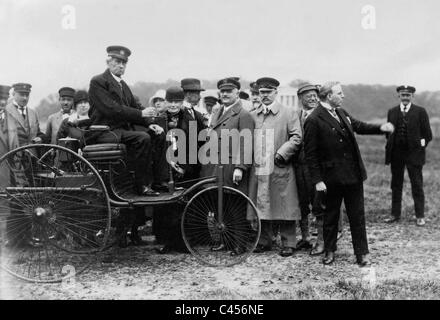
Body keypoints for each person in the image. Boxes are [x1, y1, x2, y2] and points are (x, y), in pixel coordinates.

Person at [304, 81, 394, 266]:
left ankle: (362, 253)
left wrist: (380, 128)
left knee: (357, 215)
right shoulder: (313, 119)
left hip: (353, 175)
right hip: (331, 178)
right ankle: (329, 251)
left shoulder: (341, 112)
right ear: (329, 96)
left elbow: (360, 126)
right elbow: (310, 155)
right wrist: (318, 180)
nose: (343, 96)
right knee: (331, 216)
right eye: (340, 93)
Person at [88, 45, 167, 196]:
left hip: (121, 131)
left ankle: (158, 181)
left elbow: (135, 107)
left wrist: (151, 123)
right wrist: (141, 114)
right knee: (142, 138)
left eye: (124, 63)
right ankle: (141, 185)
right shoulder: (98, 81)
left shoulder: (123, 85)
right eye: (117, 61)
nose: (121, 65)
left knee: (158, 134)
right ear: (108, 62)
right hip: (103, 131)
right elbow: (111, 109)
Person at [248, 77, 302, 257]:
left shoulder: (288, 113)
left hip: (280, 166)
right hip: (259, 168)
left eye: (268, 92)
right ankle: (264, 240)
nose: (264, 95)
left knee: (285, 203)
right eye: (261, 92)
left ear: (275, 93)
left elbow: (296, 137)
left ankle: (289, 243)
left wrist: (282, 153)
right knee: (262, 202)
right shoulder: (253, 115)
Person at [200, 77, 255, 254]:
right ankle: (225, 241)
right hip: (215, 165)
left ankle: (239, 243)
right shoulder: (217, 112)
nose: (225, 94)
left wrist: (241, 167)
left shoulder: (243, 114)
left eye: (229, 91)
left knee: (234, 204)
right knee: (219, 204)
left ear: (237, 93)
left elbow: (247, 143)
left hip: (231, 166)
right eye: (222, 91)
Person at [384, 85, 432, 226]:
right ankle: (395, 214)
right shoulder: (392, 112)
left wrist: (419, 144)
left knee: (417, 184)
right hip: (396, 154)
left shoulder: (420, 112)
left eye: (408, 95)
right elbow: (389, 134)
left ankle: (420, 216)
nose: (405, 97)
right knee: (396, 185)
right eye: (403, 95)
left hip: (414, 155)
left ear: (412, 96)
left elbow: (427, 134)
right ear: (398, 96)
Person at [294, 83, 323, 254]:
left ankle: (320, 241)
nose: (312, 98)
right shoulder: (295, 116)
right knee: (301, 203)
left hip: (317, 169)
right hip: (298, 167)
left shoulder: (322, 115)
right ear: (300, 99)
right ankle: (305, 238)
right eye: (308, 96)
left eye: (314, 95)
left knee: (319, 203)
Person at [4, 83, 44, 149]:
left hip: (32, 156)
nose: (25, 98)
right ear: (13, 94)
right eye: (22, 95)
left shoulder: (33, 113)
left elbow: (37, 132)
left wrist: (40, 138)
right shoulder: (5, 111)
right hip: (12, 155)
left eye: (27, 95)